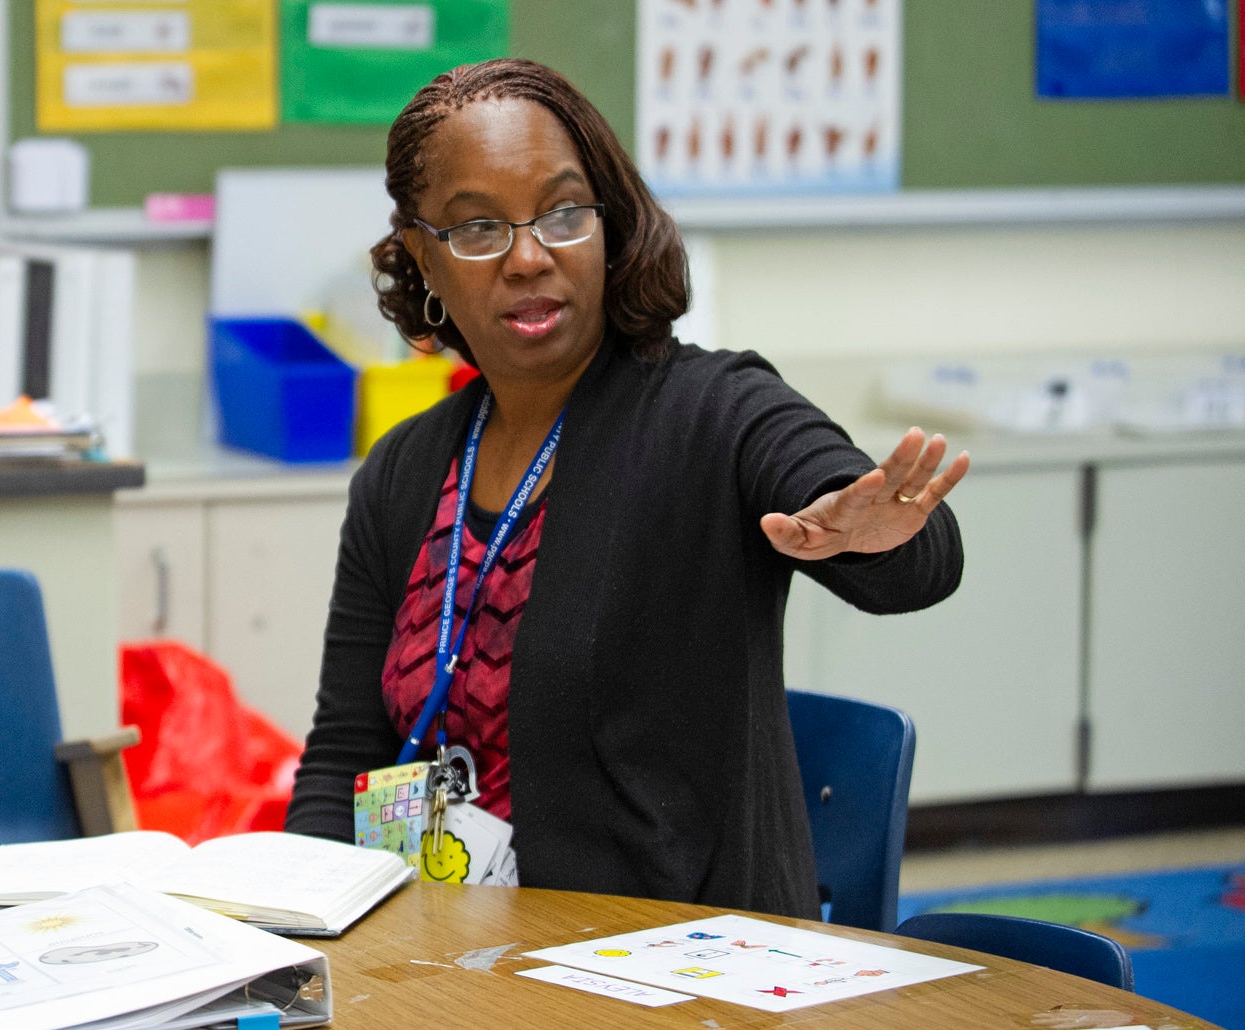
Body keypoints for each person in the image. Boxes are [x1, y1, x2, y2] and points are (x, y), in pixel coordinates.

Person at [285, 60, 968, 918]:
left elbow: (914, 558)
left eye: (563, 213)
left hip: (673, 980)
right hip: (443, 965)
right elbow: (347, 748)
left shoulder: (712, 413)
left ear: (611, 224)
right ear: (422, 257)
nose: (530, 258)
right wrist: (298, 927)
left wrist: (866, 529)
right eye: (477, 229)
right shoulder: (404, 472)